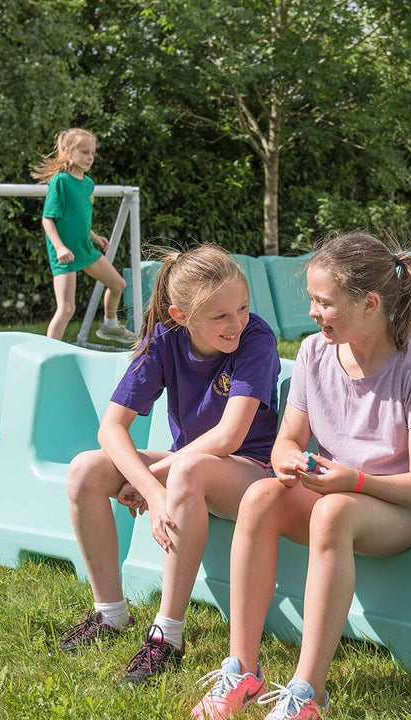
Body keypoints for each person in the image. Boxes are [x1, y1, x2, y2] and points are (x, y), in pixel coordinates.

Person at [191, 233, 411, 720]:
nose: (312, 312)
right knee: (261, 497)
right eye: (312, 299)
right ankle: (242, 670)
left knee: (333, 511)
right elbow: (287, 440)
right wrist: (290, 459)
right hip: (333, 491)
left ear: (370, 304)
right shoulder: (315, 353)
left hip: (395, 510)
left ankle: (307, 694)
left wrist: (352, 481)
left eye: (324, 302)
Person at [56, 244, 281, 687]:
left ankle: (168, 635)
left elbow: (229, 437)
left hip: (248, 471)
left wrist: (155, 478)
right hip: (184, 472)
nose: (236, 322)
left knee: (187, 470)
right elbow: (110, 430)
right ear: (180, 316)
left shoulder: (256, 338)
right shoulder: (164, 339)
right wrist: (154, 491)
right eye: (220, 316)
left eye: (242, 308)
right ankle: (109, 613)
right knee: (85, 469)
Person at [32, 127, 136, 343]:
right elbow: (48, 219)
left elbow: (77, 219)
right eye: (85, 152)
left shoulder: (88, 184)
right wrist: (60, 247)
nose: (90, 157)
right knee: (67, 308)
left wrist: (94, 237)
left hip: (84, 249)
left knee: (118, 285)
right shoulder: (59, 181)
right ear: (68, 152)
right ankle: (47, 352)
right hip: (65, 255)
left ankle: (109, 325)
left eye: (92, 153)